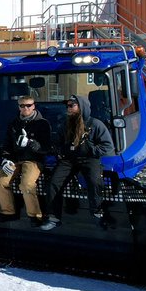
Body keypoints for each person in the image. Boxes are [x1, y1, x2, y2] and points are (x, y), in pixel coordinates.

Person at [42, 95, 115, 230]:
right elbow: (57, 141)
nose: (68, 108)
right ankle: (53, 217)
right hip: (69, 159)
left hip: (89, 158)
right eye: (67, 106)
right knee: (53, 183)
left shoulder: (95, 124)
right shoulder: (65, 124)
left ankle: (97, 213)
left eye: (72, 105)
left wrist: (90, 149)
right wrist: (60, 150)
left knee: (94, 182)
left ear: (81, 107)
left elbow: (108, 146)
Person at [0, 96, 51, 225]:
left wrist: (31, 143)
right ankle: (8, 212)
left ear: (34, 106)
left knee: (26, 184)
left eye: (29, 105)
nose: (26, 108)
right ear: (18, 107)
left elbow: (46, 148)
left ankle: (35, 215)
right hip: (15, 159)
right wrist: (6, 158)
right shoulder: (14, 123)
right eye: (22, 106)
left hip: (33, 160)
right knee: (0, 182)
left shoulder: (42, 123)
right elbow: (7, 144)